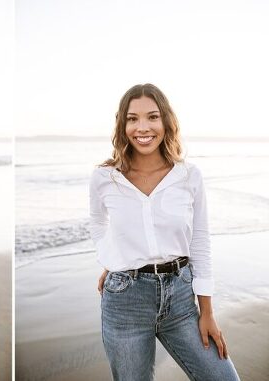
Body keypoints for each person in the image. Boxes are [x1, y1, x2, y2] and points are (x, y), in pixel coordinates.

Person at [89, 83, 239, 380]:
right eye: (132, 119)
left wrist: (206, 311)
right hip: (125, 302)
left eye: (152, 117)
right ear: (123, 124)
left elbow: (199, 241)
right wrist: (113, 260)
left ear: (166, 122)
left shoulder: (188, 176)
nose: (142, 127)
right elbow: (97, 223)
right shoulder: (104, 178)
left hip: (182, 299)